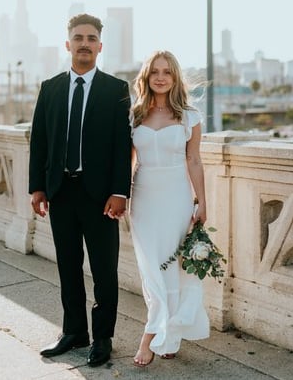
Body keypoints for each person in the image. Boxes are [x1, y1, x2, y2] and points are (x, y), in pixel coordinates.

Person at [29, 13, 132, 368]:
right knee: (68, 266)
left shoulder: (116, 90)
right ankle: (74, 331)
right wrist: (38, 188)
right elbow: (39, 142)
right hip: (60, 193)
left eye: (91, 38)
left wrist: (120, 191)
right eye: (79, 37)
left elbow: (122, 146)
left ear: (100, 47)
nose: (84, 43)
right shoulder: (50, 88)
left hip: (100, 196)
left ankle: (102, 337)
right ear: (68, 44)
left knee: (104, 270)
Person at [129, 50, 210, 367]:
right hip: (144, 199)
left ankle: (156, 337)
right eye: (154, 72)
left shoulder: (190, 116)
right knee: (152, 270)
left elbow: (194, 160)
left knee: (172, 267)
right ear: (146, 78)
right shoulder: (135, 115)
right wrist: (119, 198)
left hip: (177, 197)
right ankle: (163, 330)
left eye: (167, 72)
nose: (160, 77)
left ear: (175, 78)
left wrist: (202, 201)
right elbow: (129, 162)